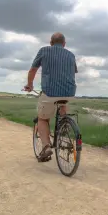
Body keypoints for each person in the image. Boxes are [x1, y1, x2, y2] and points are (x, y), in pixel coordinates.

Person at [24, 32, 78, 162]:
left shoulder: (44, 51)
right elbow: (73, 72)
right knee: (62, 103)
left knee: (42, 119)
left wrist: (29, 85)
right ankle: (63, 125)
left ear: (51, 42)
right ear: (64, 44)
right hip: (69, 92)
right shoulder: (71, 55)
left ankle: (46, 146)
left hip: (49, 92)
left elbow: (32, 70)